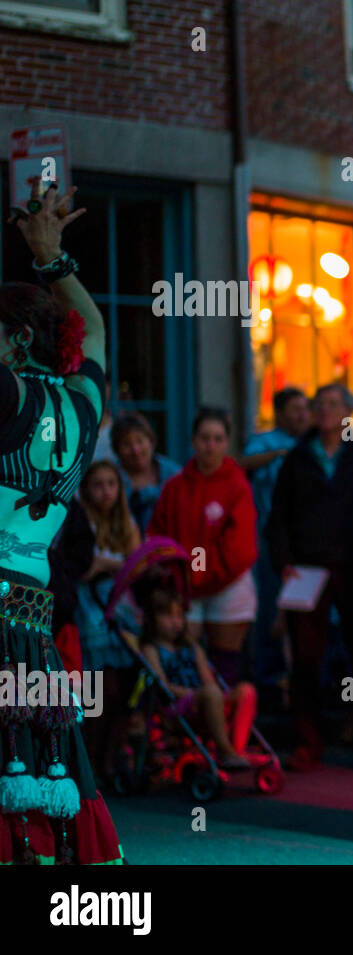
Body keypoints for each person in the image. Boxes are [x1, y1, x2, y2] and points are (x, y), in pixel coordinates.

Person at [0, 181, 123, 863]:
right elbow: (97, 329)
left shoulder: (10, 392)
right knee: (40, 768)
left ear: (17, 342)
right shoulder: (81, 404)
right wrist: (52, 259)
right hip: (33, 626)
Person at [266, 383, 353, 771]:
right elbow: (278, 518)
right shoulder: (297, 457)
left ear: (349, 410)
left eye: (332, 404)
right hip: (307, 568)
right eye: (318, 404)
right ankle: (308, 742)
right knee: (304, 660)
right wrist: (283, 563)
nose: (323, 411)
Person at [149, 407, 259, 688]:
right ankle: (191, 724)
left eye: (218, 439)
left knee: (225, 665)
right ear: (193, 441)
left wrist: (197, 573)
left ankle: (224, 723)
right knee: (185, 657)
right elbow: (158, 536)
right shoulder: (175, 487)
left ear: (227, 443)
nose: (211, 446)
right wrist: (176, 572)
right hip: (185, 587)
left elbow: (239, 548)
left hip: (227, 585)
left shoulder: (237, 486)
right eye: (204, 438)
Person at [137, 577, 256, 770]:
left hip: (205, 699)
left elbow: (208, 680)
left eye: (179, 616)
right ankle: (225, 751)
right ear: (152, 618)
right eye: (168, 616)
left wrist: (215, 696)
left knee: (246, 690)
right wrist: (197, 695)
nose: (176, 622)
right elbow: (163, 685)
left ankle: (236, 748)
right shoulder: (151, 648)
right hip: (177, 706)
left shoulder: (192, 647)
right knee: (210, 693)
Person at [74, 461, 142, 780]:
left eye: (111, 484)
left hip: (121, 610)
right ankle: (91, 759)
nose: (105, 492)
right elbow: (79, 569)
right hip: (88, 609)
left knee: (125, 689)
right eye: (98, 484)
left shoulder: (126, 523)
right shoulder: (78, 520)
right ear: (86, 489)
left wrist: (104, 565)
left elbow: (138, 567)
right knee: (98, 692)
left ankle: (111, 756)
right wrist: (108, 564)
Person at [241, 387, 310, 694]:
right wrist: (279, 456)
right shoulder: (265, 441)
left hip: (306, 543)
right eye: (295, 409)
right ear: (279, 413)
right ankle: (268, 680)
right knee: (271, 609)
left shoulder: (312, 443)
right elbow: (242, 464)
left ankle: (306, 681)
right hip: (270, 542)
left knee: (305, 610)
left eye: (305, 409)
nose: (302, 415)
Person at [110, 411, 182, 533]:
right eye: (126, 444)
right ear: (117, 450)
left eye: (140, 441)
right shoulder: (111, 477)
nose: (135, 450)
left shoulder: (173, 472)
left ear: (151, 441)